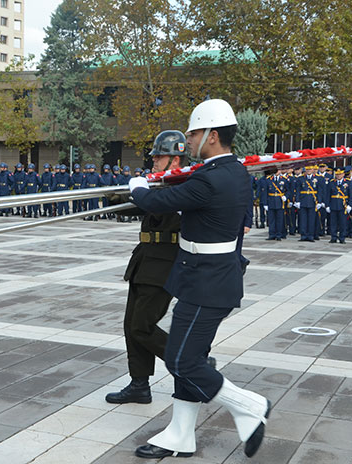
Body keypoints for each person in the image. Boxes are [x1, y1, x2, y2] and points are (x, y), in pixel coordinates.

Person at [128, 99, 270, 459]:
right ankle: (180, 434)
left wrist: (139, 188)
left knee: (181, 361)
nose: (188, 139)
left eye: (192, 133)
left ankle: (248, 405)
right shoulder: (233, 171)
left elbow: (158, 203)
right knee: (188, 356)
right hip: (206, 278)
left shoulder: (211, 178)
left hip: (206, 283)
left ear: (212, 135)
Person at [104, 130, 185, 406]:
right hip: (145, 261)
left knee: (142, 326)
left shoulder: (183, 184)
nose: (154, 161)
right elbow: (127, 208)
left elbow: (159, 206)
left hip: (164, 265)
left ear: (175, 158)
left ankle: (187, 362)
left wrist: (143, 191)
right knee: (131, 326)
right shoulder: (158, 183)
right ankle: (139, 383)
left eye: (159, 156)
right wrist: (116, 196)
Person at [325, 166, 352, 244]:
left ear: (343, 174)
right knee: (333, 223)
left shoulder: (348, 183)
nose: (338, 176)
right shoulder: (332, 182)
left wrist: (350, 205)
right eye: (337, 174)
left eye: (340, 174)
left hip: (343, 206)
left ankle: (342, 237)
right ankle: (333, 237)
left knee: (343, 223)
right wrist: (327, 205)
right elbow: (327, 194)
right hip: (333, 205)